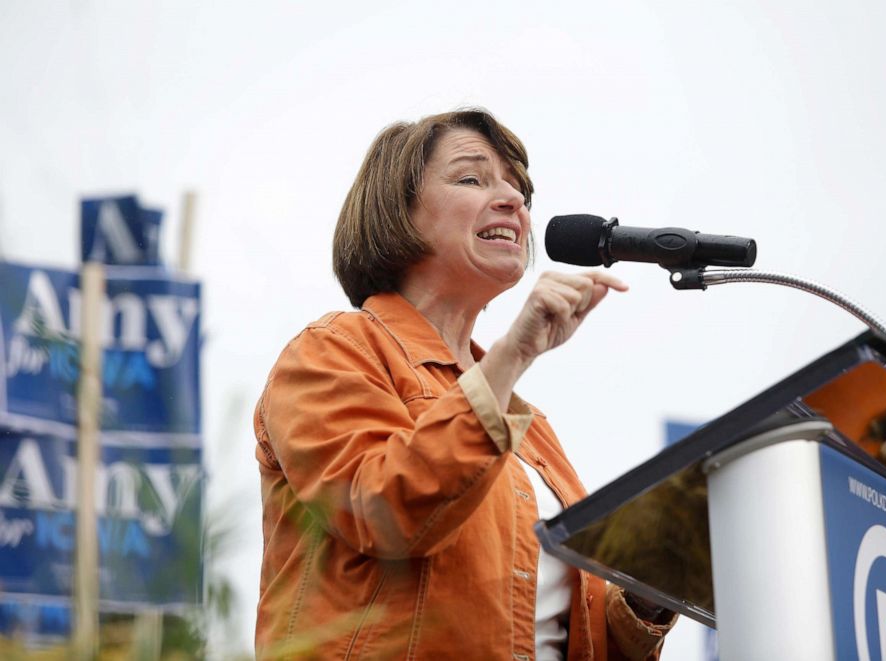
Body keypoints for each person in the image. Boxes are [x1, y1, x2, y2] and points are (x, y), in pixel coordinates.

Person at [253, 109, 678, 659]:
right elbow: (386, 511)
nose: (513, 201)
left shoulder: (534, 434)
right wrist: (514, 354)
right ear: (397, 212)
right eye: (472, 178)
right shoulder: (333, 350)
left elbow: (569, 633)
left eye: (518, 188)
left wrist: (647, 596)